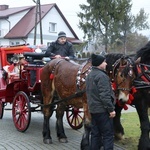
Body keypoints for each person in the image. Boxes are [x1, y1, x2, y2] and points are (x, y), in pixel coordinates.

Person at [85, 53, 116, 150]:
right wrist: (111, 110)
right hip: (103, 111)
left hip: (93, 110)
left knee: (95, 134)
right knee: (108, 135)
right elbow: (105, 96)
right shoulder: (102, 76)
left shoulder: (89, 75)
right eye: (104, 62)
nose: (106, 64)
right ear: (99, 63)